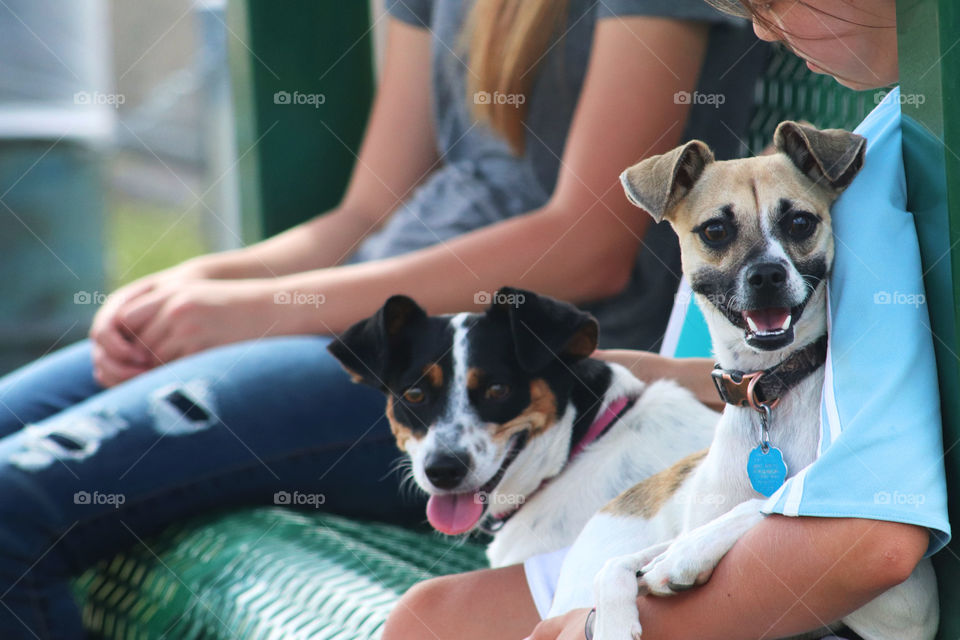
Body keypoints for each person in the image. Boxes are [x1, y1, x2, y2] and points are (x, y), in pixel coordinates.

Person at [0, 1, 767, 637]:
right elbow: (369, 209)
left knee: (12, 504)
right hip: (368, 315)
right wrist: (202, 282)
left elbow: (589, 243)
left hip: (491, 371)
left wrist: (258, 310)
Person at [381, 1, 952, 639]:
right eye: (716, 234)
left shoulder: (876, 177)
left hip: (806, 562)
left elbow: (871, 538)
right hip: (717, 458)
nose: (760, 28)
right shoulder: (892, 139)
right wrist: (655, 370)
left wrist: (603, 627)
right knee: (421, 617)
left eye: (772, 2)